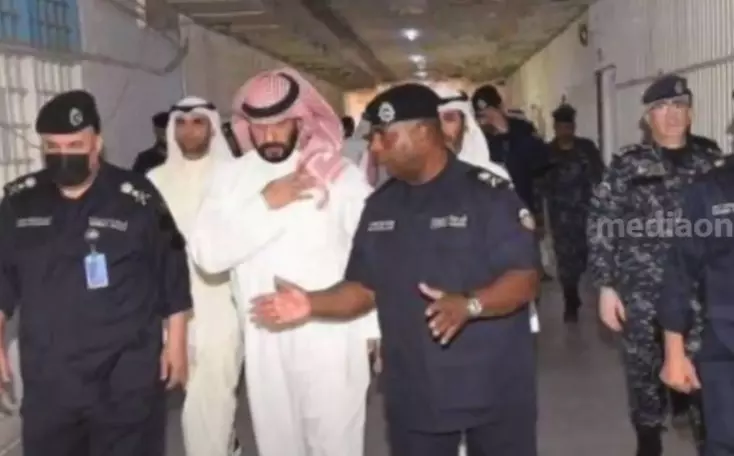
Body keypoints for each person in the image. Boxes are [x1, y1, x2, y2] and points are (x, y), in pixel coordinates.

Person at [252, 83, 540, 456]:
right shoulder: (380, 207)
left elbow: (524, 279)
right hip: (415, 390)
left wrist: (470, 305)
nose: (374, 147)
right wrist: (311, 303)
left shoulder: (488, 195)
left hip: (492, 385)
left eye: (383, 136)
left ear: (423, 132)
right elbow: (363, 287)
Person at [188, 68, 379, 456]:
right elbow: (207, 255)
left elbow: (371, 256)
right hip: (265, 338)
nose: (269, 136)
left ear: (300, 121)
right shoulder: (231, 180)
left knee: (336, 445)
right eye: (259, 128)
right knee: (279, 446)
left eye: (279, 125)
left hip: (332, 336)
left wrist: (371, 329)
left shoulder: (337, 174)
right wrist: (266, 203)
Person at [0, 90, 190, 456]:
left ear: (97, 144)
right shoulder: (20, 201)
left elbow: (172, 264)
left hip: (126, 371)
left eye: (74, 145)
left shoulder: (137, 196)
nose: (63, 155)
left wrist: (177, 342)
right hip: (51, 376)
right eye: (52, 147)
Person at [587, 74, 721, 456]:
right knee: (644, 376)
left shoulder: (712, 161)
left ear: (690, 113)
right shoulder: (628, 165)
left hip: (700, 296)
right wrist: (606, 287)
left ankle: (709, 442)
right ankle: (648, 444)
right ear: (648, 118)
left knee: (704, 379)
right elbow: (602, 222)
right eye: (662, 107)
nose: (672, 114)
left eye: (680, 106)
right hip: (643, 293)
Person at [146, 97, 242, 456]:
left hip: (223, 305)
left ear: (213, 128)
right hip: (173, 309)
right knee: (194, 394)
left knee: (214, 395)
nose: (189, 131)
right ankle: (227, 445)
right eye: (181, 123)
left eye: (198, 122)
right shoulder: (154, 182)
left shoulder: (235, 178)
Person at [658, 154, 734, 456]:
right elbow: (680, 269)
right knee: (724, 441)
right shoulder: (709, 189)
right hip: (725, 339)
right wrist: (674, 352)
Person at [472, 84, 552, 280]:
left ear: (500, 107)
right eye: (481, 115)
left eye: (489, 112)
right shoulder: (475, 137)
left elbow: (541, 160)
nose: (486, 119)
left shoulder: (522, 129)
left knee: (526, 261)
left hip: (522, 204)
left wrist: (506, 132)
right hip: (488, 210)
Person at [541, 103, 604, 322]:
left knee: (585, 255)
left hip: (586, 213)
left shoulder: (587, 149)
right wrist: (539, 214)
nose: (564, 131)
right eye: (560, 127)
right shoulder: (547, 153)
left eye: (568, 127)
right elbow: (540, 184)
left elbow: (600, 177)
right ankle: (570, 298)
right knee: (564, 259)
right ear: (555, 128)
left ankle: (578, 287)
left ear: (573, 127)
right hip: (560, 216)